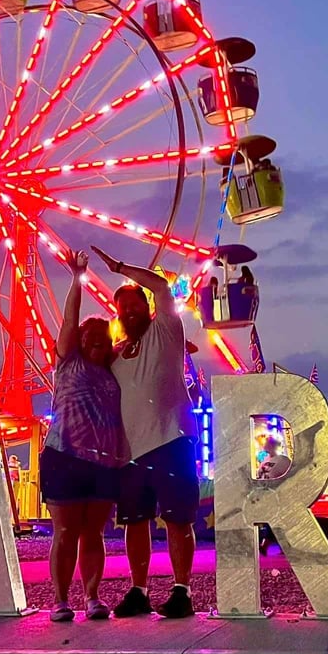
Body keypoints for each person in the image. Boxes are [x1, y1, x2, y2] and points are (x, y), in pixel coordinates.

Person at [91, 245, 200, 619]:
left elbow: (162, 287)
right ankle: (139, 590)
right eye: (121, 308)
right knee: (134, 523)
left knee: (177, 519)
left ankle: (181, 589)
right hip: (130, 451)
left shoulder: (166, 331)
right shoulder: (117, 354)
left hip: (172, 439)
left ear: (147, 305)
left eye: (133, 304)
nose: (127, 311)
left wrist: (119, 266)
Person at [41, 249, 126, 622]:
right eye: (90, 335)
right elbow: (69, 317)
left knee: (94, 533)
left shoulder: (114, 371)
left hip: (103, 462)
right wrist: (77, 276)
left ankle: (92, 596)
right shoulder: (68, 360)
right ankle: (60, 600)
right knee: (65, 531)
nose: (96, 340)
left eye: (102, 337)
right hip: (64, 456)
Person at [256, 437, 292, 554]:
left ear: (272, 445)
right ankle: (284, 546)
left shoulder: (283, 461)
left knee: (273, 521)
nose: (264, 444)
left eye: (266, 442)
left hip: (277, 495)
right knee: (272, 522)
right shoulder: (265, 459)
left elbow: (290, 478)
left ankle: (265, 544)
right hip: (264, 494)